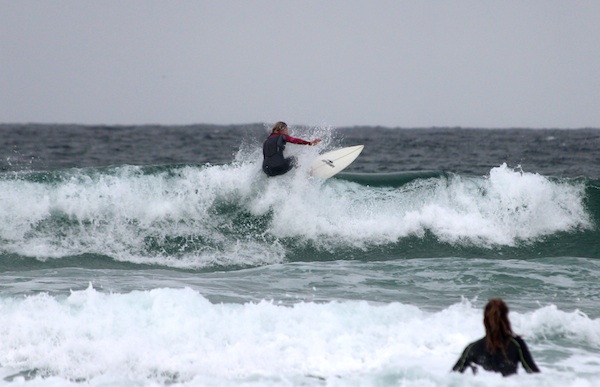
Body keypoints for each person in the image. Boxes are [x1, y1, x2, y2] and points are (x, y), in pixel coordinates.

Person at [452, 298, 540, 376]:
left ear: (485, 321)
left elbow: (452, 378)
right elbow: (535, 375)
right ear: (506, 319)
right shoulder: (516, 344)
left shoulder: (473, 348)